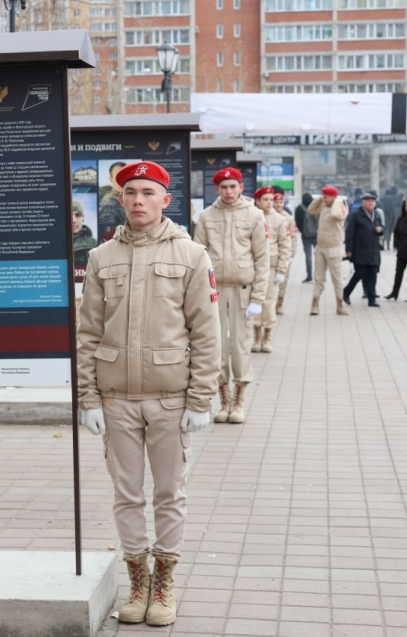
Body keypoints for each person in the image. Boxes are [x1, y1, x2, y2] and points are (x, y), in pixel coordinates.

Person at [77, 161, 220, 628]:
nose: (138, 200)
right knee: (125, 495)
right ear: (121, 200)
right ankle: (136, 579)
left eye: (147, 192)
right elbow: (88, 333)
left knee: (168, 494)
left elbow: (206, 332)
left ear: (166, 199)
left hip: (169, 400)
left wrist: (201, 400)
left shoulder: (192, 255)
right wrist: (89, 398)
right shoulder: (101, 258)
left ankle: (164, 583)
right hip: (116, 399)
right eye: (130, 192)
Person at [193, 167, 269, 424]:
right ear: (216, 189)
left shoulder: (255, 215)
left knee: (239, 345)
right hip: (213, 291)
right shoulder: (206, 216)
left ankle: (239, 400)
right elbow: (198, 256)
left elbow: (262, 258)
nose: (228, 191)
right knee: (216, 346)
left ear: (240, 187)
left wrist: (258, 298)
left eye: (232, 186)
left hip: (242, 290)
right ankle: (222, 400)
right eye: (223, 187)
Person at [251, 189, 291, 352]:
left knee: (268, 303)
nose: (269, 203)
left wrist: (282, 270)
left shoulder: (280, 220)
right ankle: (256, 338)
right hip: (252, 266)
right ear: (258, 201)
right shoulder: (252, 217)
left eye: (271, 199)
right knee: (253, 303)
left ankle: (267, 338)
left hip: (271, 267)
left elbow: (285, 245)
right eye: (265, 199)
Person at [307, 186, 349, 316]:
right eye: (322, 197)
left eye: (326, 197)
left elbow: (336, 215)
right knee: (318, 277)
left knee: (337, 279)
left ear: (334, 197)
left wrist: (336, 201)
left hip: (334, 247)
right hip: (321, 247)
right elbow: (311, 209)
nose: (323, 199)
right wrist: (320, 198)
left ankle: (340, 305)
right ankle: (315, 304)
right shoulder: (324, 206)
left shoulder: (341, 207)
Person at [342, 192, 383, 308]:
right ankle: (346, 292)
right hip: (360, 250)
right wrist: (349, 249)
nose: (371, 203)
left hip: (374, 250)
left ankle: (372, 299)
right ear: (363, 203)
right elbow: (349, 233)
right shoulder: (356, 215)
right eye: (368, 201)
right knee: (360, 273)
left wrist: (381, 230)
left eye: (372, 201)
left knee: (373, 275)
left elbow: (382, 227)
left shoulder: (376, 215)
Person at [274, 193, 298, 316]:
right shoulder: (264, 216)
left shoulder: (288, 219)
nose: (278, 205)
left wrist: (291, 255)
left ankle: (279, 305)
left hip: (284, 255)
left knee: (283, 281)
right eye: (276, 202)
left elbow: (293, 238)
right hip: (270, 255)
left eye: (280, 202)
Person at [98, 161, 128, 241]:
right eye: (117, 176)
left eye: (124, 176)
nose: (121, 180)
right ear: (111, 179)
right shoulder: (108, 204)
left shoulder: (132, 199)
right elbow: (107, 236)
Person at [295, 192, 317, 282]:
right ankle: (321, 276)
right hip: (316, 235)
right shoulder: (315, 207)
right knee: (319, 256)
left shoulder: (299, 208)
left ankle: (309, 276)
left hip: (305, 236)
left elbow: (297, 222)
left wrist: (302, 231)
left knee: (308, 256)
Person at [72, 200, 96, 266]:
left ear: (83, 218)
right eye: (69, 215)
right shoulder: (55, 243)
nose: (73, 220)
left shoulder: (94, 244)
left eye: (78, 215)